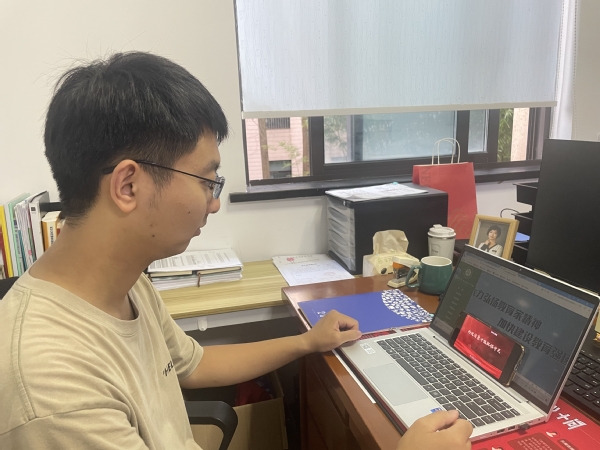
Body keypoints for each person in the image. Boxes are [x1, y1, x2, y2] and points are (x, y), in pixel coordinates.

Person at [0, 52, 472, 450]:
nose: (213, 202)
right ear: (128, 185)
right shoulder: (52, 386)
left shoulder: (126, 283)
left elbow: (193, 364)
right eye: (207, 180)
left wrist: (307, 342)